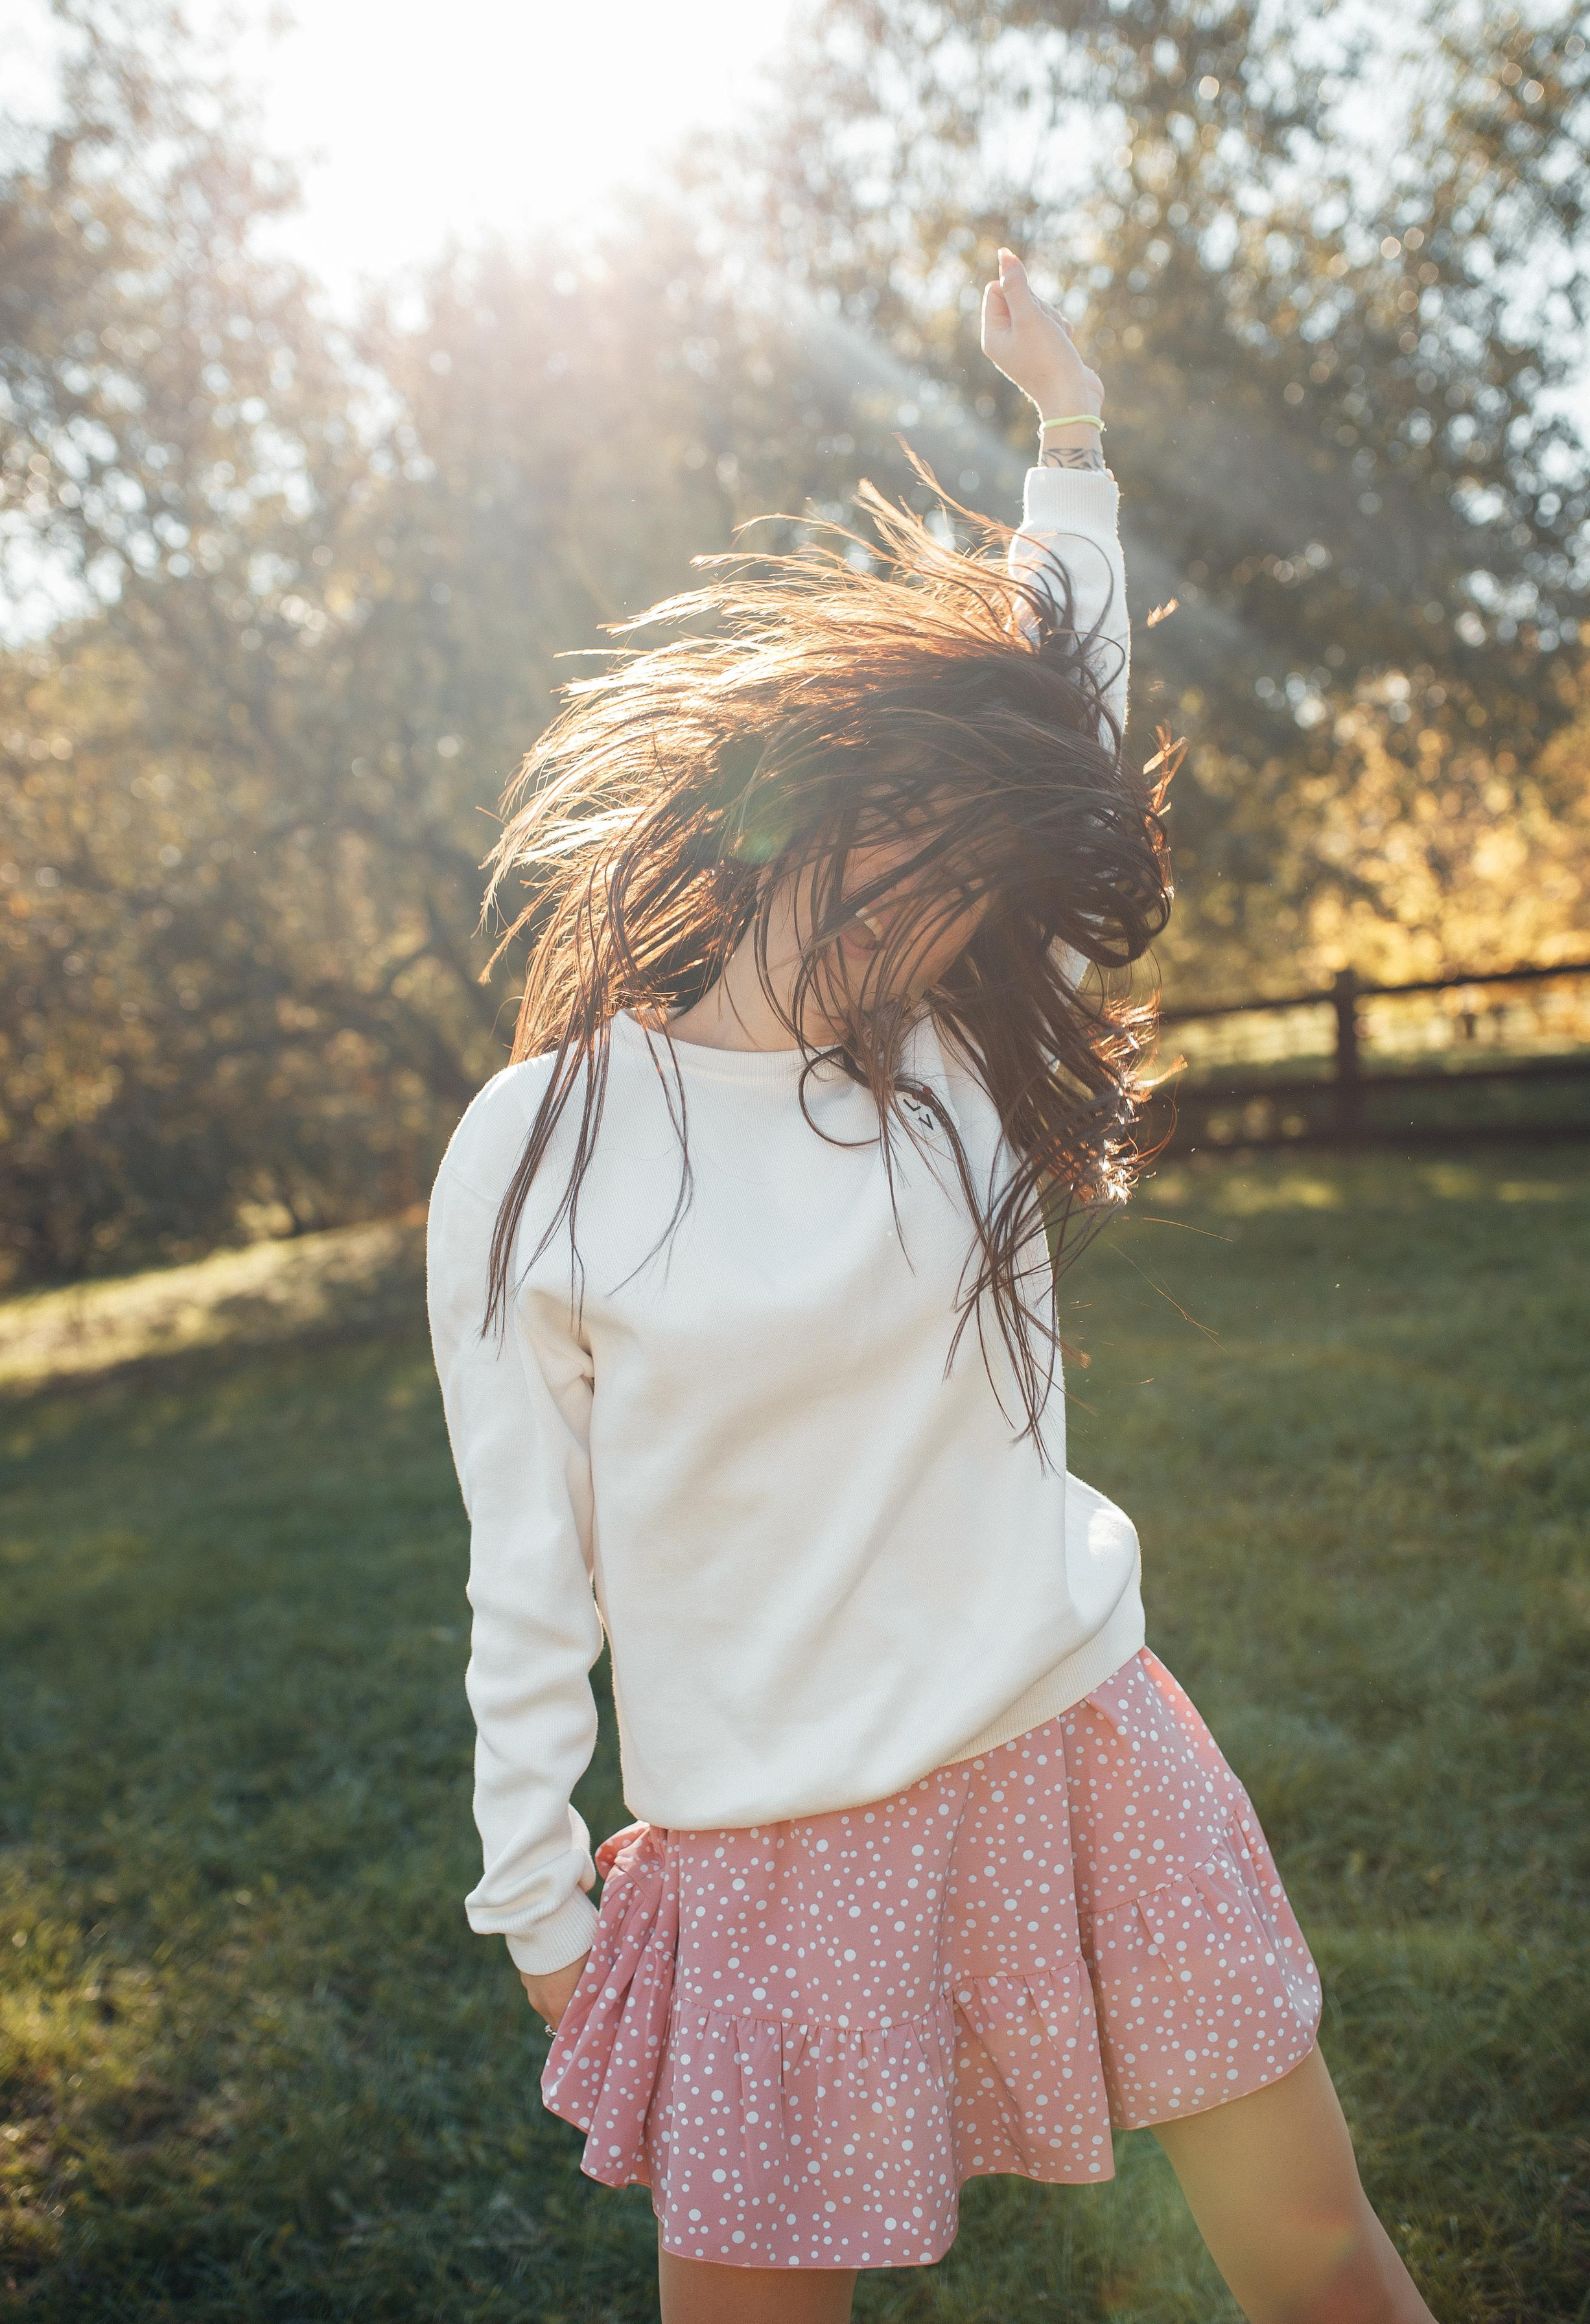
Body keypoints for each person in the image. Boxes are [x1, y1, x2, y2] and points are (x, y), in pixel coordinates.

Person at [426, 250, 1440, 2324]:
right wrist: (536, 1891)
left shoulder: (963, 1054)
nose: (978, 912)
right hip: (772, 1856)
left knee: (1319, 2250)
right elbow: (532, 1567)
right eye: (951, 853)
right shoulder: (539, 1144)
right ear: (833, 806)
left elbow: (1072, 696)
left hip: (1079, 1748)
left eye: (1003, 874)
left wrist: (1069, 435)